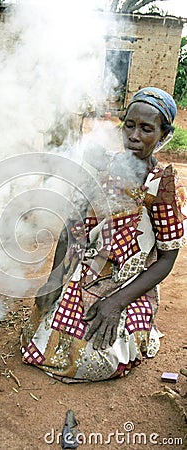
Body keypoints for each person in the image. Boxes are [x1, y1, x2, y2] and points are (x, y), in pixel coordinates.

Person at [21, 87, 187, 382]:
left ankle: (135, 321)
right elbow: (72, 228)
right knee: (40, 338)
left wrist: (116, 302)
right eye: (130, 125)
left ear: (163, 136)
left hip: (132, 282)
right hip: (89, 270)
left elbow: (166, 260)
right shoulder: (100, 167)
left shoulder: (162, 185)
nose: (134, 136)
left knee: (98, 358)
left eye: (147, 129)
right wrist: (54, 280)